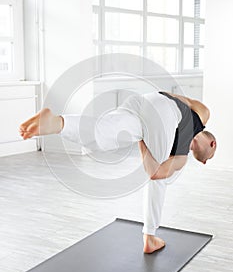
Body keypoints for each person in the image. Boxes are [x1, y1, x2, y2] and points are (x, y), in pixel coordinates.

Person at [19, 90, 216, 254]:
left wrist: (145, 131)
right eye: (209, 157)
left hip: (144, 100)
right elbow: (154, 173)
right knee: (159, 182)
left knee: (106, 131)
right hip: (165, 111)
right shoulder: (182, 154)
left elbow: (177, 97)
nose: (205, 162)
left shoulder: (200, 115)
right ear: (212, 143)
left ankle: (58, 123)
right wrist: (144, 141)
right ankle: (150, 237)